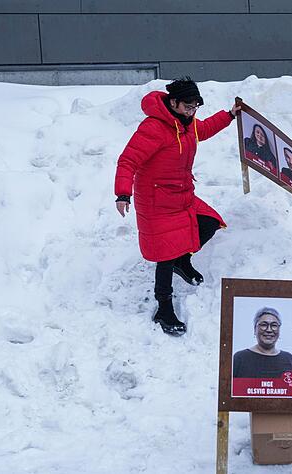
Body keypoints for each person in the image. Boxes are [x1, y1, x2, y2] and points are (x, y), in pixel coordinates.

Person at [114, 77, 240, 336]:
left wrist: (229, 115)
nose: (192, 112)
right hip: (156, 200)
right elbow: (128, 161)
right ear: (173, 102)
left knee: (210, 222)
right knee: (164, 253)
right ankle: (164, 307)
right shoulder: (154, 128)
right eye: (188, 106)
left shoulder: (187, 124)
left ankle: (182, 261)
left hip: (181, 194)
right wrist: (123, 194)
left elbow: (203, 129)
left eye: (195, 107)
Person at [233, 307, 292, 379]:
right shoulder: (240, 358)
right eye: (264, 325)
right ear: (254, 329)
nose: (269, 330)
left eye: (274, 325)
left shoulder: (288, 358)